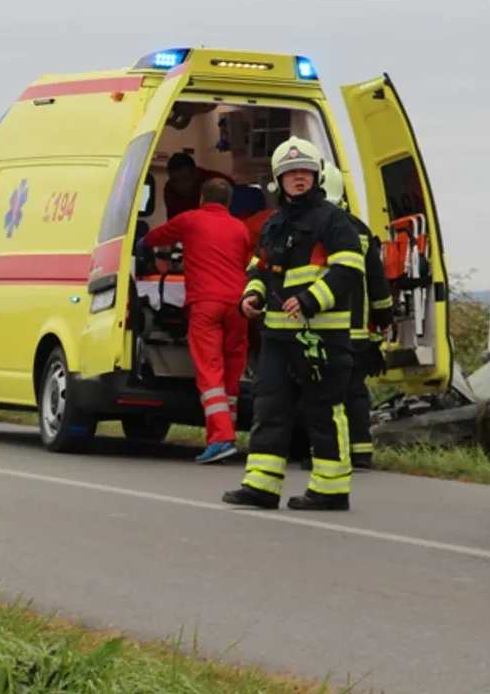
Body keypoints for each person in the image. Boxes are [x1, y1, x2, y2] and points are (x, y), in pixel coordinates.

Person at [222, 139, 365, 512]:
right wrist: (250, 296)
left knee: (323, 411)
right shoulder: (273, 224)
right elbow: (259, 268)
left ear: (316, 176)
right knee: (269, 407)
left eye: (304, 172)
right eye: (290, 173)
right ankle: (261, 486)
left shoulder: (336, 221)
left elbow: (349, 269)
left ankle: (331, 490)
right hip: (277, 338)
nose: (298, 178)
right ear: (278, 180)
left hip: (321, 337)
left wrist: (309, 299)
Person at [142, 177, 254, 464]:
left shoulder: (191, 220)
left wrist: (139, 242)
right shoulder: (240, 228)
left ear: (202, 199)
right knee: (232, 372)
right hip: (239, 306)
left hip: (206, 304)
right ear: (229, 202)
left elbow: (156, 238)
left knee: (210, 372)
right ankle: (225, 434)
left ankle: (221, 439)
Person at [318, 163, 396, 469]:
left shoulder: (313, 226)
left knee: (322, 393)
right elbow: (377, 283)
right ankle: (361, 451)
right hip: (357, 331)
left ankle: (327, 452)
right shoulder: (360, 230)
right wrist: (385, 317)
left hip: (323, 327)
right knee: (355, 392)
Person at [162, 152, 234, 220]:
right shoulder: (170, 188)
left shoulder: (217, 182)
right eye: (174, 182)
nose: (181, 187)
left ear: (196, 173)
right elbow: (173, 222)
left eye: (186, 180)